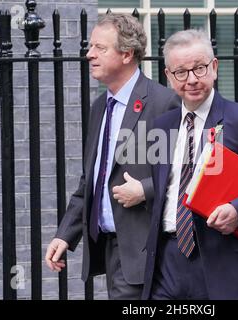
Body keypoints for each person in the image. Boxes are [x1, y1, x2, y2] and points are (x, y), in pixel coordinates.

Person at [142, 29, 238, 300]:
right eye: (181, 72)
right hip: (168, 265)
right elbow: (166, 192)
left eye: (199, 68)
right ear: (169, 77)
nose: (191, 79)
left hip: (228, 263)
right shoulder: (162, 127)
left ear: (214, 67)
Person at [45, 13, 180, 300]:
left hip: (148, 251)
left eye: (99, 48)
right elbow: (91, 180)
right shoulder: (100, 107)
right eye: (90, 46)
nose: (89, 54)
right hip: (108, 247)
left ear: (127, 54)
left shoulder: (163, 102)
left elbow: (187, 172)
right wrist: (65, 234)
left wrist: (144, 190)